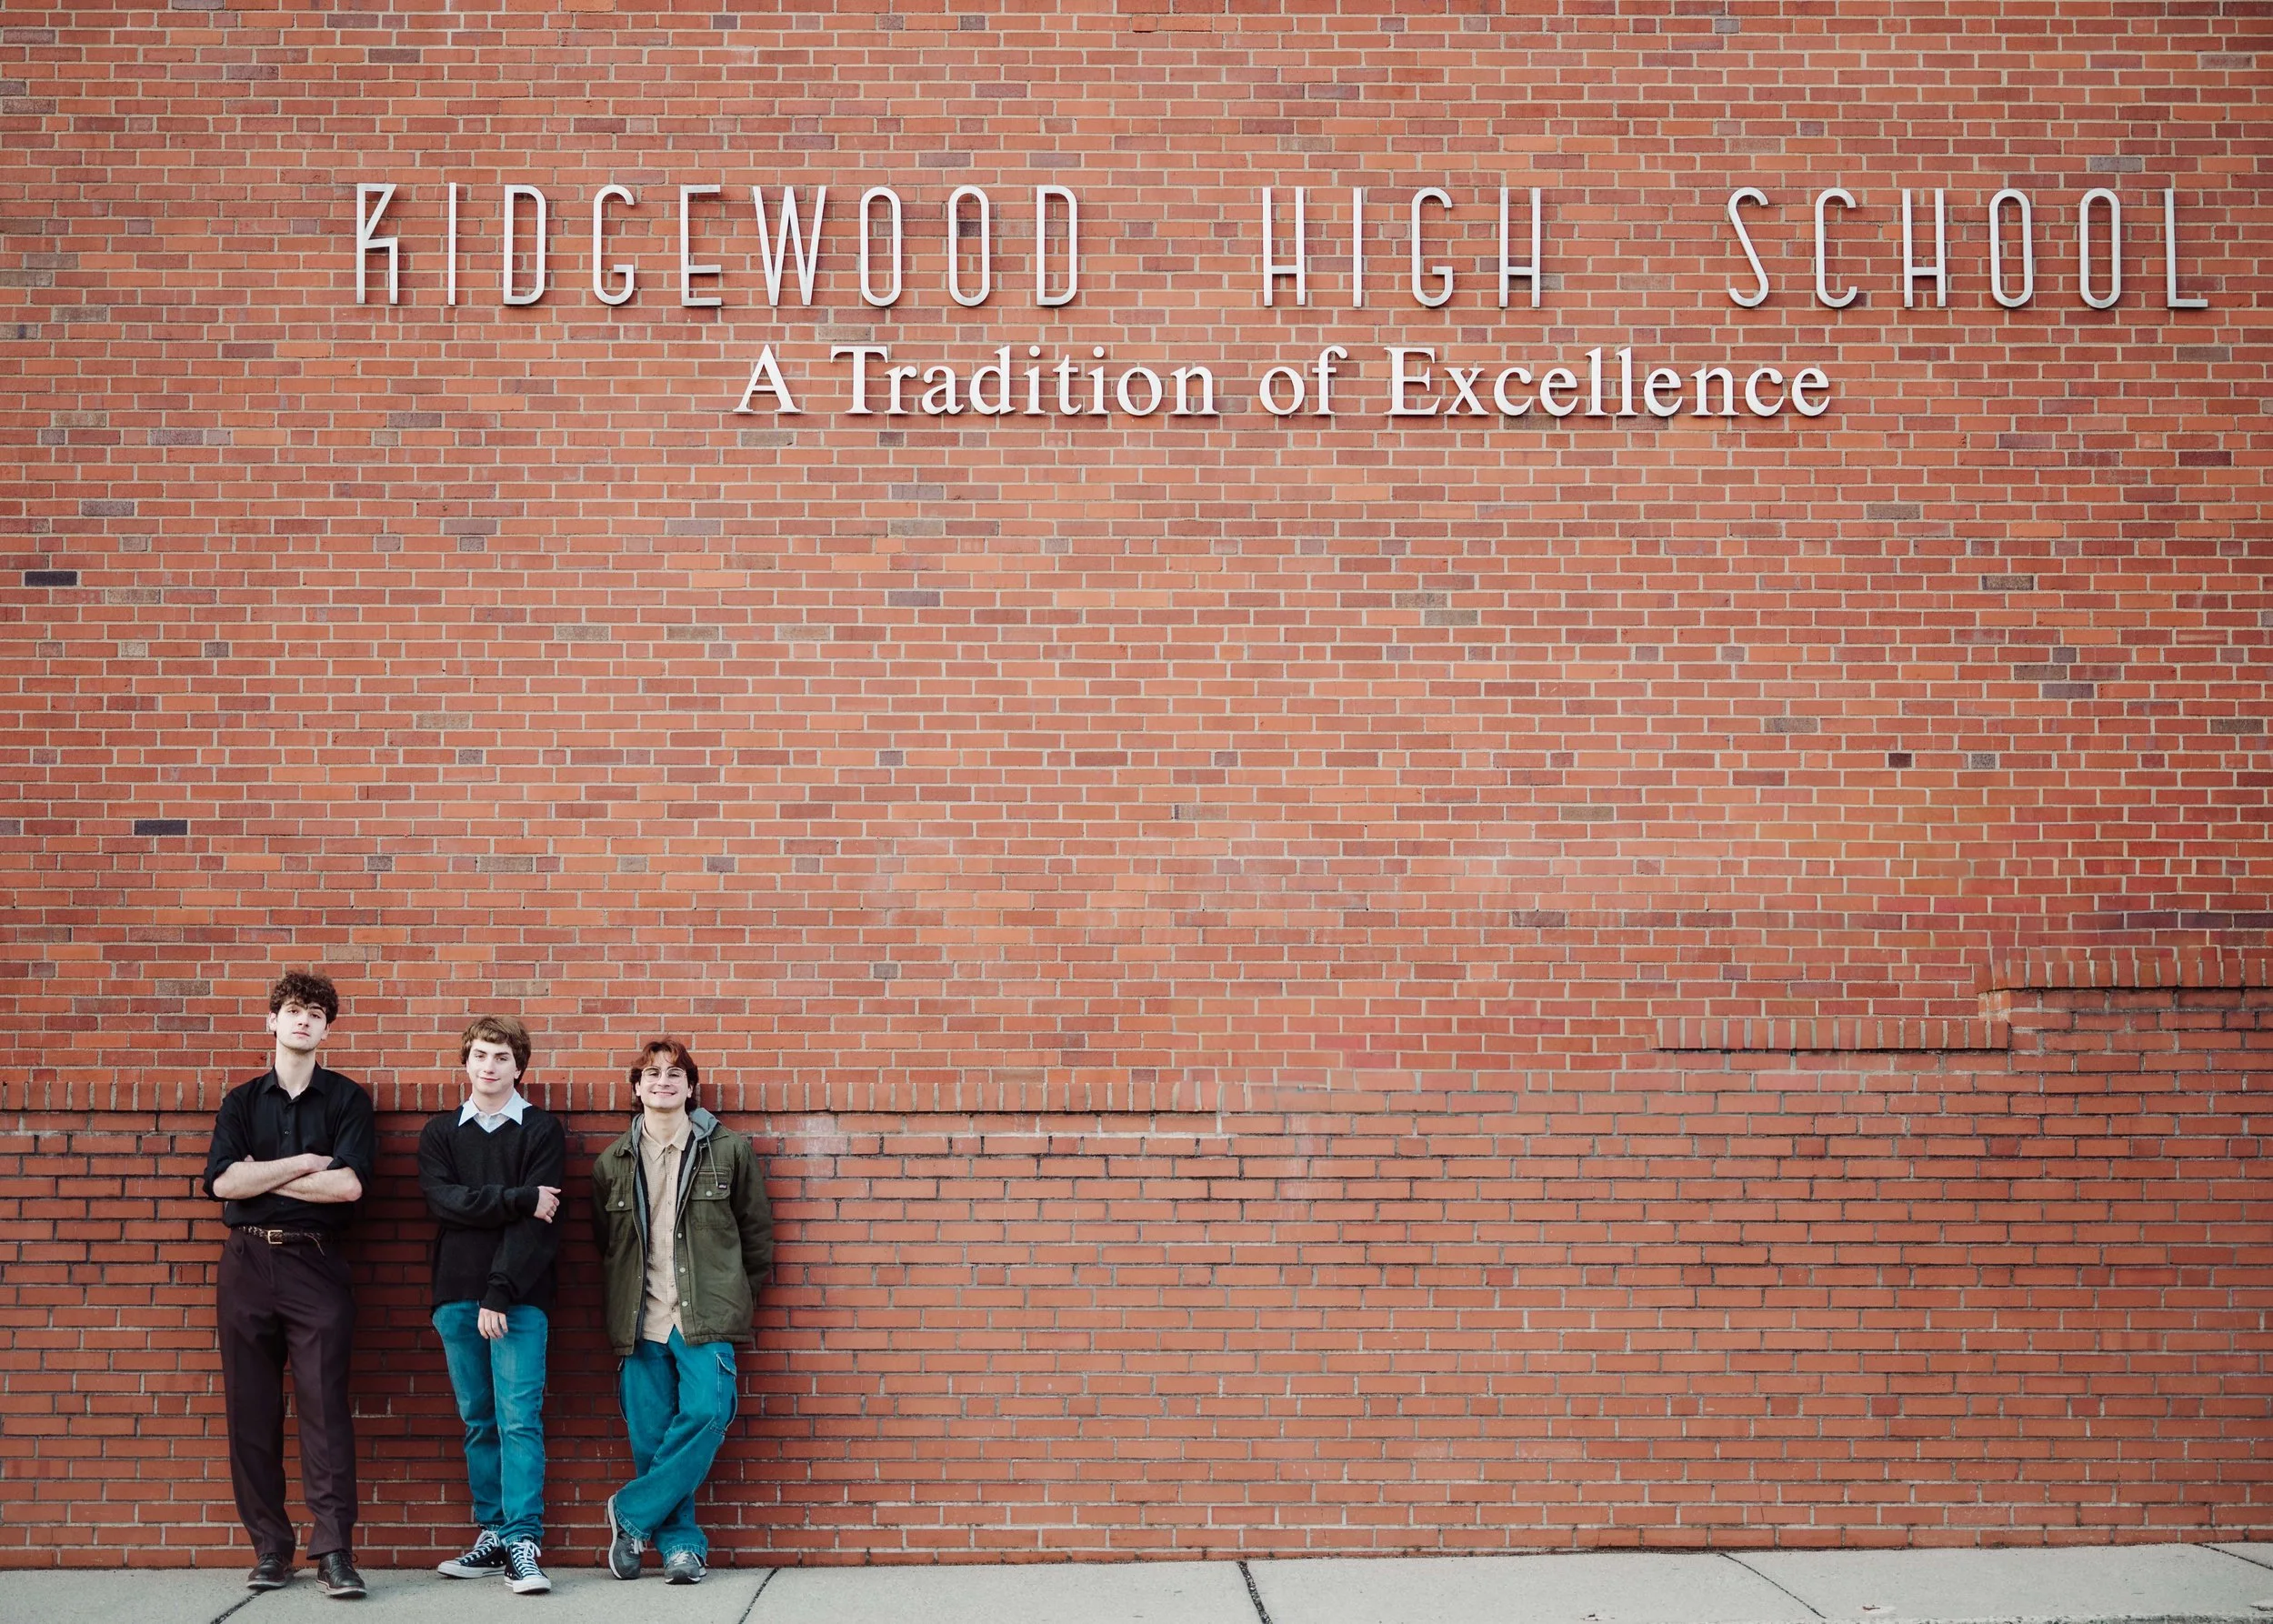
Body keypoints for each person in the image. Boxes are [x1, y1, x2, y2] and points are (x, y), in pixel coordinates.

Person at [201, 970, 375, 1599]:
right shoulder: (242, 1102)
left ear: (328, 1028)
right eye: (293, 1010)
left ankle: (334, 1553)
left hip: (317, 1263)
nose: (303, 1020)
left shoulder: (348, 1100)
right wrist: (305, 1163)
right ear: (272, 1021)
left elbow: (350, 1187)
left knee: (325, 1411)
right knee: (251, 1412)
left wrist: (260, 1175)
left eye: (316, 1014)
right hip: (246, 1265)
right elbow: (222, 1185)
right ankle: (271, 1550)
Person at [590, 1038, 773, 1583]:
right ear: (636, 1089)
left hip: (704, 1317)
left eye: (674, 1074)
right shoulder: (611, 1163)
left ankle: (632, 1512)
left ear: (691, 1088)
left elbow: (756, 1238)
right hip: (640, 1319)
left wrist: (734, 1296)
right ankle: (681, 1549)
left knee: (709, 1413)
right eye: (651, 1074)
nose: (662, 1082)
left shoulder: (729, 1151)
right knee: (651, 1440)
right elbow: (608, 1245)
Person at [417, 1015, 566, 1596]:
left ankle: (524, 1542)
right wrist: (519, 1198)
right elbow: (443, 1203)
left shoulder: (541, 1130)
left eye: (501, 1057)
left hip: (519, 1300)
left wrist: (500, 1291)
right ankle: (495, 1533)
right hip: (455, 1298)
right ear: (465, 1062)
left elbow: (541, 1225)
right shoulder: (440, 1134)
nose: (489, 1066)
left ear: (519, 1066)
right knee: (479, 1422)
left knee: (518, 1421)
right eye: (480, 1055)